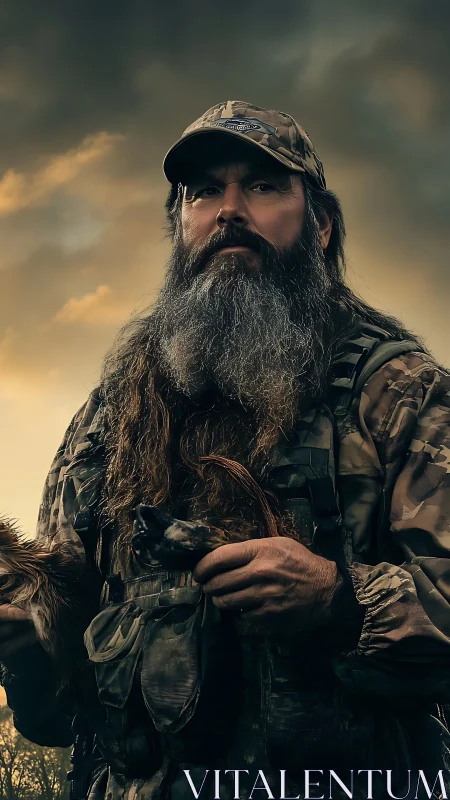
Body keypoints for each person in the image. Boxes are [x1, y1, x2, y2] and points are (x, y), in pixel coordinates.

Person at [1, 100, 450, 800]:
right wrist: (29, 648)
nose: (228, 210)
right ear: (181, 226)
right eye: (203, 191)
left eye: (264, 186)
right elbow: (63, 710)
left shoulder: (400, 395)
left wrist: (339, 601)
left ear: (322, 225)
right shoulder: (110, 417)